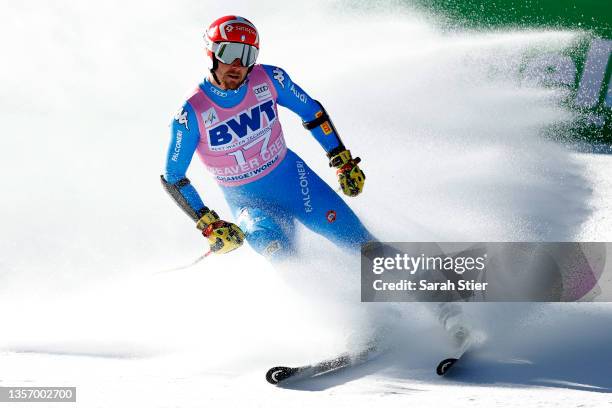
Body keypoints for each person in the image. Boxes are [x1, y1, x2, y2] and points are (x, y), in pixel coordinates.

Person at [162, 15, 373, 261]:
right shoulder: (190, 112)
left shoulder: (272, 79)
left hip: (298, 183)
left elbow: (311, 112)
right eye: (229, 52)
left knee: (366, 247)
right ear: (211, 53)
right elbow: (173, 176)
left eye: (248, 54)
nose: (238, 64)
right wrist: (209, 223)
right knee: (287, 263)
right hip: (250, 207)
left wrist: (341, 159)